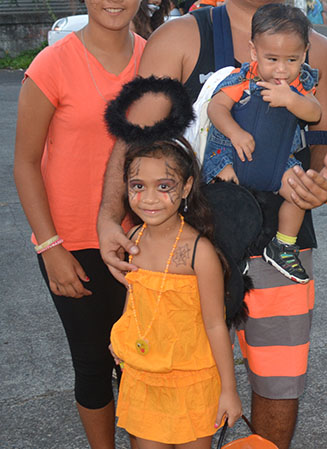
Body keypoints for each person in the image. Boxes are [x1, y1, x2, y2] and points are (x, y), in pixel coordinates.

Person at [97, 0, 327, 449]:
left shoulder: (319, 51)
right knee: (182, 380)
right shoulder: (184, 37)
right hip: (186, 244)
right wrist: (107, 215)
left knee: (277, 385)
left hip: (281, 243)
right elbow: (135, 137)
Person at [13, 0, 147, 449]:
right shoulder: (52, 65)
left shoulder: (156, 58)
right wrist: (51, 249)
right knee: (94, 364)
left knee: (144, 363)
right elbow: (25, 163)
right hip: (74, 243)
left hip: (145, 239)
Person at [110, 137, 242, 447]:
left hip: (192, 381)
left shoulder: (200, 253)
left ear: (185, 188)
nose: (149, 198)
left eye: (164, 186)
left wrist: (229, 390)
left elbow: (215, 324)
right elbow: (134, 298)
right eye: (138, 186)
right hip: (143, 377)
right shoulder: (132, 238)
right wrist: (121, 337)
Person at [204, 4, 321, 284]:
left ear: (304, 53)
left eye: (292, 60)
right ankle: (230, 252)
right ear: (254, 52)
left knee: (299, 191)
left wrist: (292, 100)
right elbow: (216, 108)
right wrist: (235, 132)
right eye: (272, 59)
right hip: (231, 155)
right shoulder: (242, 80)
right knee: (228, 201)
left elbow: (316, 113)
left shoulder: (300, 86)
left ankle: (282, 244)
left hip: (277, 159)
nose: (282, 69)